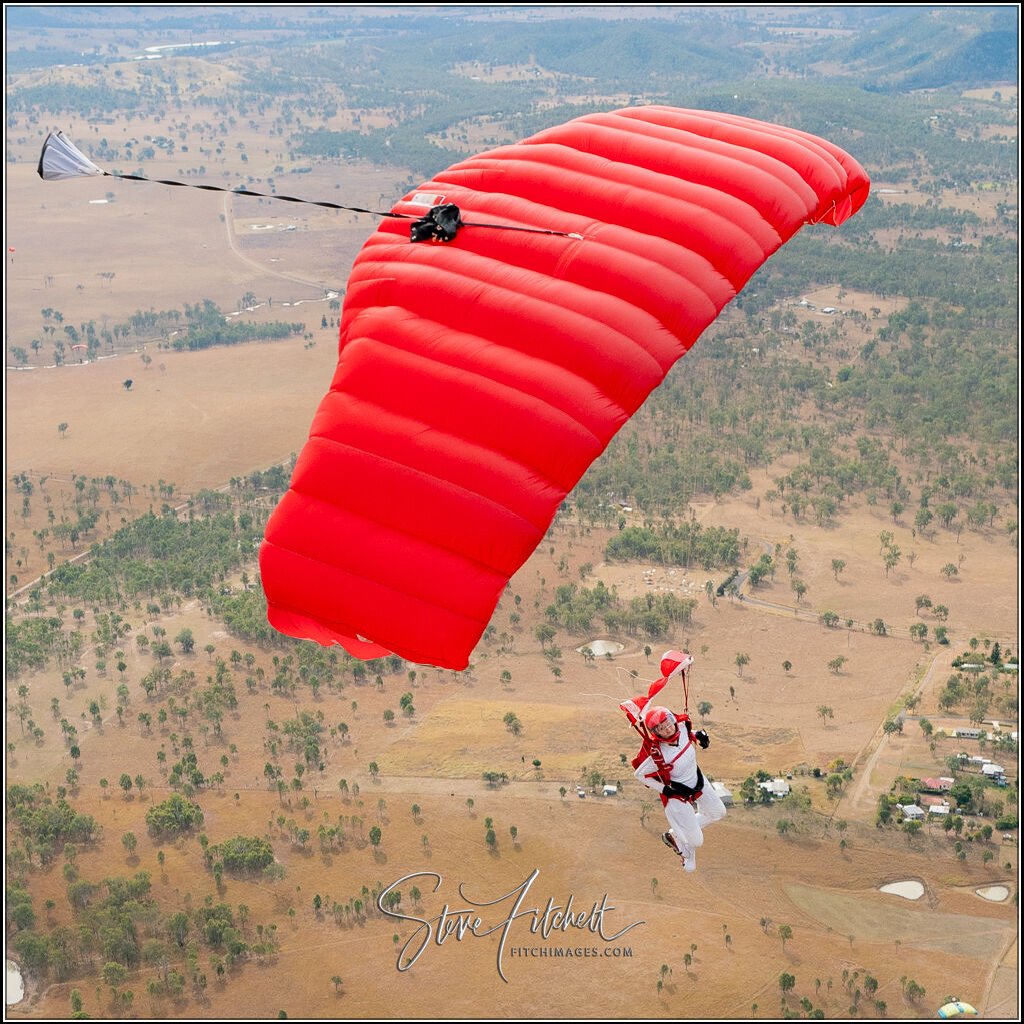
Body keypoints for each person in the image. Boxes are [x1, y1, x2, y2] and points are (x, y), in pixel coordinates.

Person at [627, 653, 726, 873]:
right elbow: (639, 775)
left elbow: (689, 734)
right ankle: (684, 845)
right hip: (677, 795)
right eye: (661, 728)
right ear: (656, 733)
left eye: (667, 723)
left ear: (672, 719)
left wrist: (700, 736)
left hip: (697, 780)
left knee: (718, 812)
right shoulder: (658, 754)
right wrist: (665, 789)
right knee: (697, 842)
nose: (667, 728)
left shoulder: (681, 727)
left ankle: (675, 835)